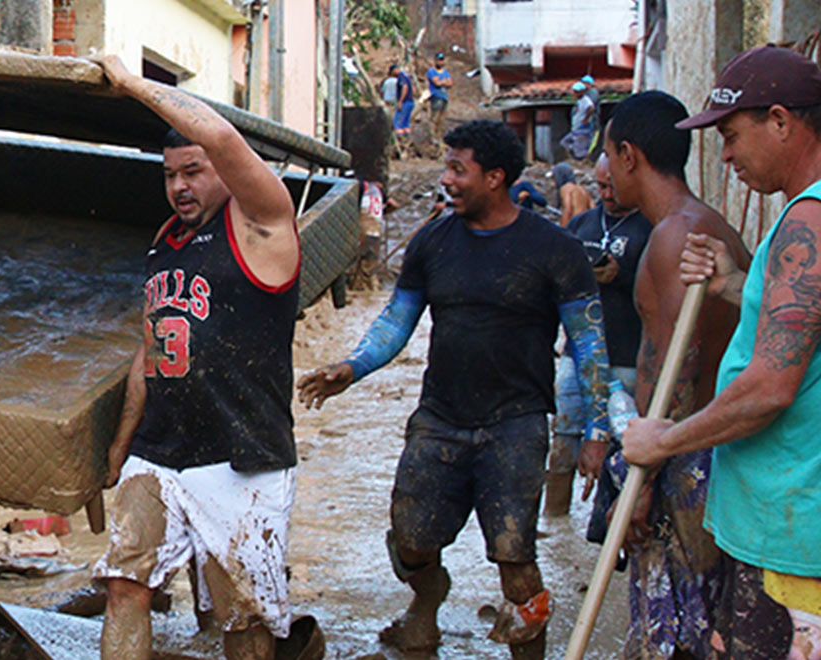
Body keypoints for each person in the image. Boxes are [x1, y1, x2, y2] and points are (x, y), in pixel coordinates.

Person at [624, 46, 821, 659]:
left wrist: (664, 441)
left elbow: (768, 389)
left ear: (782, 121)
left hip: (797, 530)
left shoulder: (812, 220)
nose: (726, 155)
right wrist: (738, 283)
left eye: (732, 136)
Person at [298, 120, 618, 660]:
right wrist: (353, 367)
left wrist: (597, 429)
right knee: (410, 541)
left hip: (515, 425)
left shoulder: (554, 249)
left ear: (495, 177)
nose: (446, 179)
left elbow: (589, 345)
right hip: (440, 418)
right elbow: (397, 322)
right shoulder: (432, 241)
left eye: (457, 169)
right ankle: (428, 601)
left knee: (515, 560)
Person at [92, 55, 317, 660]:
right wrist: (118, 448)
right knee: (124, 586)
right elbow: (152, 348)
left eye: (192, 172)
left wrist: (132, 82)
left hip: (241, 452)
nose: (179, 187)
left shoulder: (264, 225)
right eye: (170, 175)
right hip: (160, 452)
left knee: (240, 614)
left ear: (225, 170)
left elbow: (220, 134)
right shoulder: (165, 243)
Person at [595, 89, 751, 660]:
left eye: (608, 155)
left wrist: (643, 484)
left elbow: (672, 378)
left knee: (682, 634)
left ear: (630, 155)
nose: (606, 171)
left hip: (687, 462)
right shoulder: (712, 226)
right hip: (714, 454)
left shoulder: (673, 237)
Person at [545, 153, 650, 521]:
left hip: (627, 357)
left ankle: (616, 522)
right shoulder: (582, 226)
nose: (606, 193)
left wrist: (622, 277)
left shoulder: (652, 228)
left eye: (612, 185)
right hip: (576, 355)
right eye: (601, 185)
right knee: (564, 437)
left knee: (624, 445)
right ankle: (554, 523)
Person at [562, 81, 598, 162]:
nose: (574, 93)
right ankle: (575, 160)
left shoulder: (586, 100)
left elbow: (591, 108)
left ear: (582, 92)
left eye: (576, 92)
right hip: (576, 127)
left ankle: (582, 161)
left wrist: (585, 119)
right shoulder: (579, 101)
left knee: (580, 149)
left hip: (582, 128)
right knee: (565, 143)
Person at [426, 53, 453, 141]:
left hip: (444, 96)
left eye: (442, 60)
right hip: (436, 96)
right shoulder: (431, 71)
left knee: (442, 118)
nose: (441, 62)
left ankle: (439, 136)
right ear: (435, 61)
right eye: (439, 60)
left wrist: (442, 82)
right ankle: (433, 137)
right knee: (435, 117)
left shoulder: (445, 72)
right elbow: (436, 83)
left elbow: (450, 84)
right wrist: (444, 82)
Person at [392, 64, 417, 145]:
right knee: (406, 123)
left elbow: (404, 87)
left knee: (397, 122)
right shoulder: (407, 76)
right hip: (411, 102)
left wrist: (400, 101)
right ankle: (408, 140)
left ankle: (399, 142)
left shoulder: (401, 76)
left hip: (405, 102)